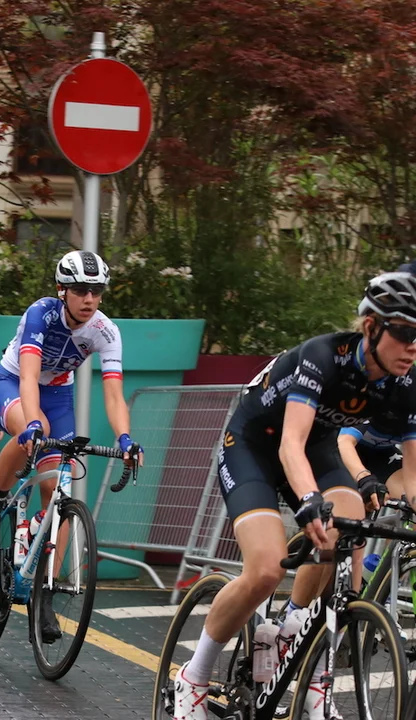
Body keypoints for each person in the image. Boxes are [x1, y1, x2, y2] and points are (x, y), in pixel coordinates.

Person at [173, 272, 416, 720]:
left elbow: (413, 476)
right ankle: (193, 677)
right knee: (266, 570)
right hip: (254, 445)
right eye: (404, 332)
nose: (412, 347)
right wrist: (308, 499)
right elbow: (290, 443)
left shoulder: (405, 384)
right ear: (371, 327)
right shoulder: (322, 356)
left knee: (349, 535)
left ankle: (296, 639)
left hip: (317, 449)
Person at [0, 250, 140, 643]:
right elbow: (28, 375)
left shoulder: (105, 331)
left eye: (96, 291)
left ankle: (43, 592)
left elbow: (114, 395)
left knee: (59, 492)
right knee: (38, 429)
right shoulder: (42, 314)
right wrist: (32, 422)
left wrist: (125, 438)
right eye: (81, 290)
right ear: (62, 290)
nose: (89, 299)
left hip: (58, 395)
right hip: (13, 383)